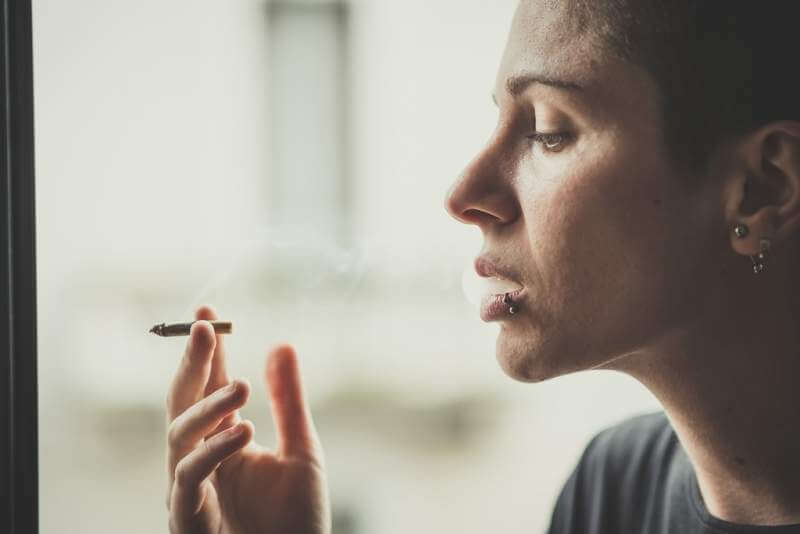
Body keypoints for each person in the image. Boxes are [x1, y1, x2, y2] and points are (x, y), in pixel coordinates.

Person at [163, 1, 800, 532]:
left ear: (761, 188)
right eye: (498, 118)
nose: (464, 192)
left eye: (550, 130)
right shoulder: (611, 494)